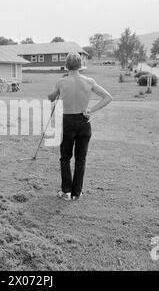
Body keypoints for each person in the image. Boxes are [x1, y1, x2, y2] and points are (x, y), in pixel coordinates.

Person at [48, 53, 112, 201]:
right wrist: (91, 110)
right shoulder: (89, 81)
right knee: (80, 159)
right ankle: (76, 193)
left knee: (65, 158)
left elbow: (51, 97)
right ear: (80, 65)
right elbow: (108, 97)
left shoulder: (61, 81)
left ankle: (66, 192)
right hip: (84, 122)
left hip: (68, 121)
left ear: (66, 65)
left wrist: (56, 90)